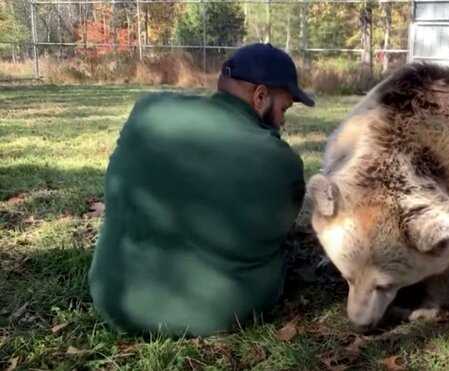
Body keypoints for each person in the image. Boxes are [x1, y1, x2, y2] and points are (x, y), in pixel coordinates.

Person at [88, 43, 314, 337]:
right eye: (284, 108)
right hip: (213, 312)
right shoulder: (280, 161)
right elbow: (279, 232)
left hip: (114, 298)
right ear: (260, 96)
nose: (282, 121)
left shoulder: (149, 110)